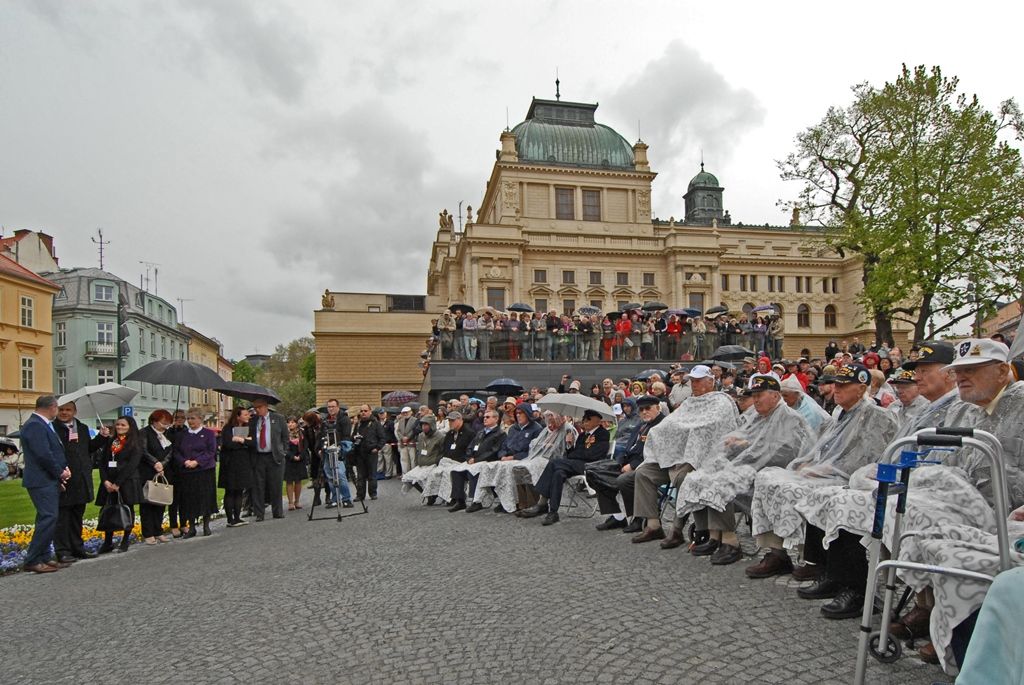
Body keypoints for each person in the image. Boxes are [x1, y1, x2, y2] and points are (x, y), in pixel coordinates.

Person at [746, 364, 898, 618]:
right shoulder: (841, 413)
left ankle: (853, 585)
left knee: (822, 495)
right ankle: (823, 567)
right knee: (775, 480)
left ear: (861, 388)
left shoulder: (876, 416)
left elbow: (871, 456)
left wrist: (828, 468)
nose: (836, 389)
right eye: (835, 384)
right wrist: (810, 462)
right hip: (830, 474)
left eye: (843, 385)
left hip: (854, 480)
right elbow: (824, 446)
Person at [678, 375, 815, 566]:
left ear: (775, 396)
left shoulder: (790, 418)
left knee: (722, 482)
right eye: (754, 396)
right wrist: (736, 444)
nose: (755, 400)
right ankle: (714, 535)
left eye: (759, 396)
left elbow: (787, 452)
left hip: (773, 470)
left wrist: (747, 448)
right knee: (702, 477)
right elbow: (747, 437)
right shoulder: (757, 416)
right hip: (748, 466)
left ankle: (730, 542)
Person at [630, 366, 740, 546]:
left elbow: (711, 429)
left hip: (702, 458)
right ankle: (653, 525)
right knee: (644, 473)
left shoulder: (721, 402)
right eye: (692, 381)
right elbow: (671, 423)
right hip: (677, 456)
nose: (694, 384)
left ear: (710, 381)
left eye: (698, 380)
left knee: (684, 478)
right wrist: (659, 432)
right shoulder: (689, 403)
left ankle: (678, 529)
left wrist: (685, 433)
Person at [520, 409, 610, 525]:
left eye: (587, 420)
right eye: (583, 419)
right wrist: (570, 444)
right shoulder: (582, 435)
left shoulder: (603, 434)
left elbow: (594, 455)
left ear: (597, 421)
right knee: (558, 473)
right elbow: (571, 454)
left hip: (591, 466)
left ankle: (542, 503)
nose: (584, 422)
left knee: (554, 463)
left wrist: (577, 454)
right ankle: (553, 512)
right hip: (576, 464)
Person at [587, 395, 665, 530]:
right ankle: (617, 516)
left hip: (648, 466)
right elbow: (629, 448)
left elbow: (657, 454)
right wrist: (620, 462)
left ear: (658, 408)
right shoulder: (641, 425)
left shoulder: (662, 425)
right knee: (594, 472)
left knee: (624, 480)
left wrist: (633, 465)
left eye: (648, 408)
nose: (644, 412)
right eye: (641, 409)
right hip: (627, 462)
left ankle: (639, 517)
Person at [19, 395, 71, 573]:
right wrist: (59, 472)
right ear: (52, 407)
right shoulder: (35, 425)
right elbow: (43, 454)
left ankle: (44, 556)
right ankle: (33, 559)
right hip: (41, 480)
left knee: (47, 518)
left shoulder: (41, 424)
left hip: (47, 479)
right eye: (57, 407)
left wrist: (60, 474)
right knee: (48, 517)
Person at [53, 400, 110, 561]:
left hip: (81, 478)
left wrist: (102, 437)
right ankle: (63, 551)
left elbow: (89, 448)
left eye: (68, 410)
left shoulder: (82, 428)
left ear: (74, 412)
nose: (64, 412)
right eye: (61, 409)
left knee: (77, 516)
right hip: (64, 478)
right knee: (63, 517)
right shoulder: (52, 428)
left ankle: (77, 548)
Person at [95, 416, 144, 553]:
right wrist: (105, 480)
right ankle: (108, 541)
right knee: (108, 509)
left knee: (127, 509)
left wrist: (118, 483)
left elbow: (132, 464)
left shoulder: (135, 443)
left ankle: (125, 540)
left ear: (130, 427)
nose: (119, 427)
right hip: (109, 480)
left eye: (123, 425)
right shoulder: (111, 441)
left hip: (126, 481)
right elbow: (102, 462)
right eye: (118, 424)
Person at [138, 409, 174, 543]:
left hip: (163, 471)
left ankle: (158, 531)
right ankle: (148, 533)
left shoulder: (168, 434)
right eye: (163, 423)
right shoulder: (144, 433)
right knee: (148, 502)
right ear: (154, 421)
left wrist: (162, 464)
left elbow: (171, 451)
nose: (165, 426)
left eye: (167, 423)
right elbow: (143, 451)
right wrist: (155, 463)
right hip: (148, 470)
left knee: (161, 501)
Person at [249, 398, 289, 519]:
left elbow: (285, 437)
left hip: (274, 456)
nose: (257, 410)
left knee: (276, 485)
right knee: (258, 486)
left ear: (266, 407)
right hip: (259, 456)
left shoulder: (278, 418)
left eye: (259, 407)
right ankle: (259, 513)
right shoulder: (254, 420)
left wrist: (283, 452)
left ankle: (277, 512)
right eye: (255, 408)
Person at [220, 406, 254, 527]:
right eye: (245, 414)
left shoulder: (248, 428)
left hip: (243, 463)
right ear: (237, 416)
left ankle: (237, 517)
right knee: (230, 490)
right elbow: (228, 444)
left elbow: (252, 443)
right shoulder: (228, 428)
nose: (248, 416)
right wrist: (244, 442)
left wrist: (240, 440)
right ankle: (230, 519)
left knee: (239, 489)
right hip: (230, 463)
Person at [316, 403, 353, 509]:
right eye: (329, 407)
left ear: (338, 407)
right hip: (327, 450)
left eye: (333, 406)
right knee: (329, 475)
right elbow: (321, 435)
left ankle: (346, 499)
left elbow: (346, 435)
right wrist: (319, 448)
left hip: (339, 450)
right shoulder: (325, 421)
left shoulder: (344, 419)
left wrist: (341, 447)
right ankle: (335, 499)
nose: (331, 409)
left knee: (340, 474)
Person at [351, 404, 385, 501]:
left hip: (371, 452)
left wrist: (377, 448)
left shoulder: (376, 424)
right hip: (359, 452)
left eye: (365, 411)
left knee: (372, 474)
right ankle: (360, 495)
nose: (363, 413)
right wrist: (354, 438)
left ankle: (373, 493)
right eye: (361, 411)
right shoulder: (358, 424)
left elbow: (382, 438)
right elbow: (352, 437)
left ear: (370, 411)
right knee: (360, 476)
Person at [165, 408, 187, 537]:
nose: (179, 420)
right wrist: (173, 430)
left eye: (182, 418)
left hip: (184, 468)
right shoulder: (169, 432)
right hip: (172, 469)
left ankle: (183, 523)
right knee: (173, 499)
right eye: (177, 417)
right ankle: (173, 525)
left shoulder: (187, 431)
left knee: (184, 499)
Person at [284, 417, 307, 509]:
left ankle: (297, 501)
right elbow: (284, 447)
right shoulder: (284, 434)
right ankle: (290, 502)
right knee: (289, 481)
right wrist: (292, 456)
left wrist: (300, 456)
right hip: (289, 460)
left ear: (297, 423)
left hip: (300, 459)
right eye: (289, 422)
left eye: (293, 422)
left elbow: (305, 446)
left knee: (298, 480)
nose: (290, 424)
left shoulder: (302, 433)